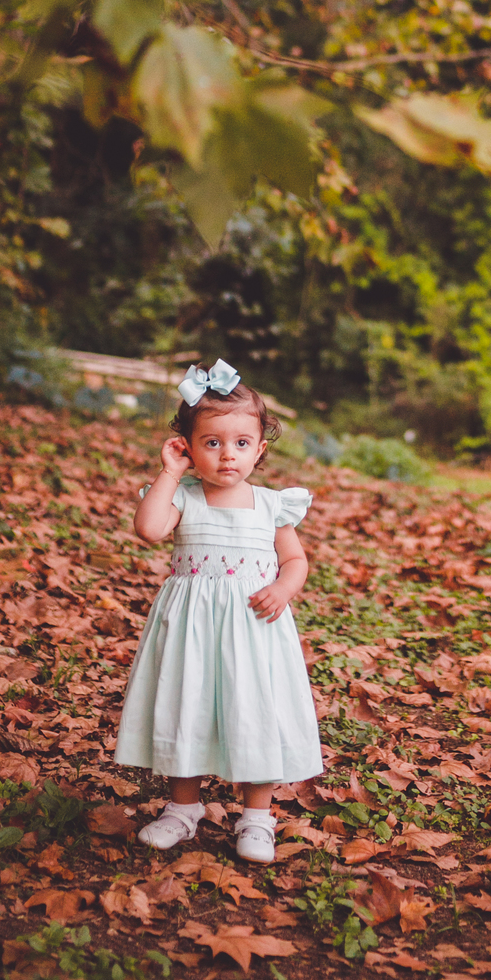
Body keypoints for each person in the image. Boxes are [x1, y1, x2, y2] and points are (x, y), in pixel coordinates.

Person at [114, 359, 322, 864]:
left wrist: (284, 588)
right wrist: (169, 472)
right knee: (187, 706)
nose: (228, 455)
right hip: (191, 630)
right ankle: (183, 809)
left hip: (254, 629)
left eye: (241, 443)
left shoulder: (273, 505)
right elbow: (148, 530)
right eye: (211, 443)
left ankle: (256, 817)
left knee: (255, 712)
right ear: (187, 446)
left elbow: (295, 559)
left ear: (260, 448)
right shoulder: (183, 498)